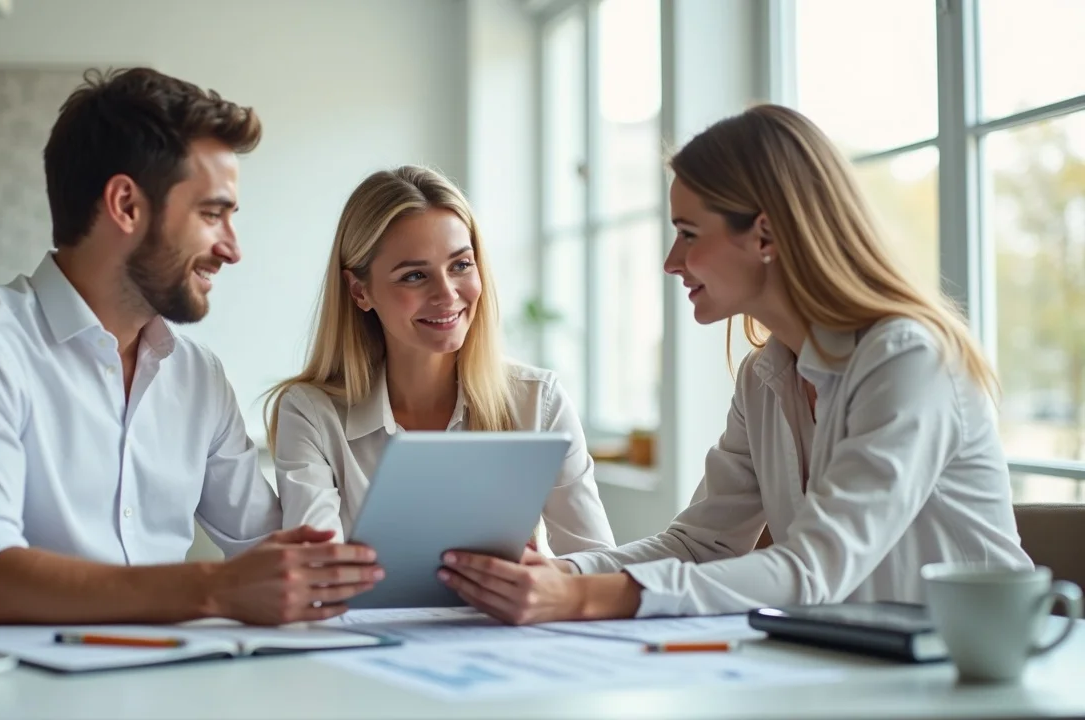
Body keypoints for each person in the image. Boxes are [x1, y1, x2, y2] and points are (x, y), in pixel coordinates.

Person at [437, 104, 1032, 624]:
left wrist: (585, 598)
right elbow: (701, 543)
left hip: (974, 682)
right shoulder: (765, 375)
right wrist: (560, 573)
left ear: (765, 233)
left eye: (689, 233)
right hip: (860, 672)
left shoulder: (908, 360)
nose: (672, 261)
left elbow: (815, 569)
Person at [0, 67, 382, 627]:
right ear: (125, 205)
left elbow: (272, 552)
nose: (232, 249)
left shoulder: (198, 376)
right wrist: (211, 589)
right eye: (212, 213)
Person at [264, 165, 615, 555]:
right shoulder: (312, 414)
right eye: (414, 276)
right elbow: (316, 573)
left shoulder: (538, 401)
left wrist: (544, 585)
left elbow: (595, 564)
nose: (447, 295)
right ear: (359, 290)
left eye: (461, 265)